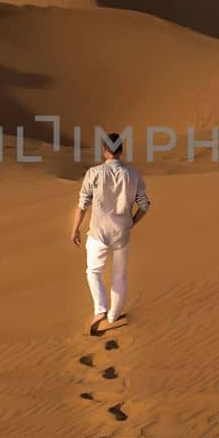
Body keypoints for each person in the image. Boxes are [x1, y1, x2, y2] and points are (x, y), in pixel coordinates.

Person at [69, 132, 151, 335]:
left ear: (104, 151)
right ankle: (114, 315)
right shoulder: (133, 175)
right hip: (122, 234)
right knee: (119, 276)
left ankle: (100, 309)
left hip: (98, 233)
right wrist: (132, 222)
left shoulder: (93, 173)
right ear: (121, 151)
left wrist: (75, 229)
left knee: (93, 272)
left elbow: (82, 205)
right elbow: (144, 205)